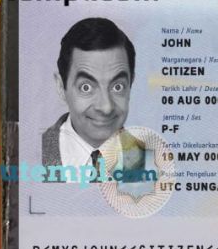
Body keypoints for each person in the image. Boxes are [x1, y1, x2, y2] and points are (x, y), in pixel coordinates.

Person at [42, 17, 145, 181]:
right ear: (61, 87)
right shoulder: (29, 153)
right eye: (86, 87)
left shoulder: (154, 162)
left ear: (131, 83)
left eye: (117, 87)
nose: (106, 107)